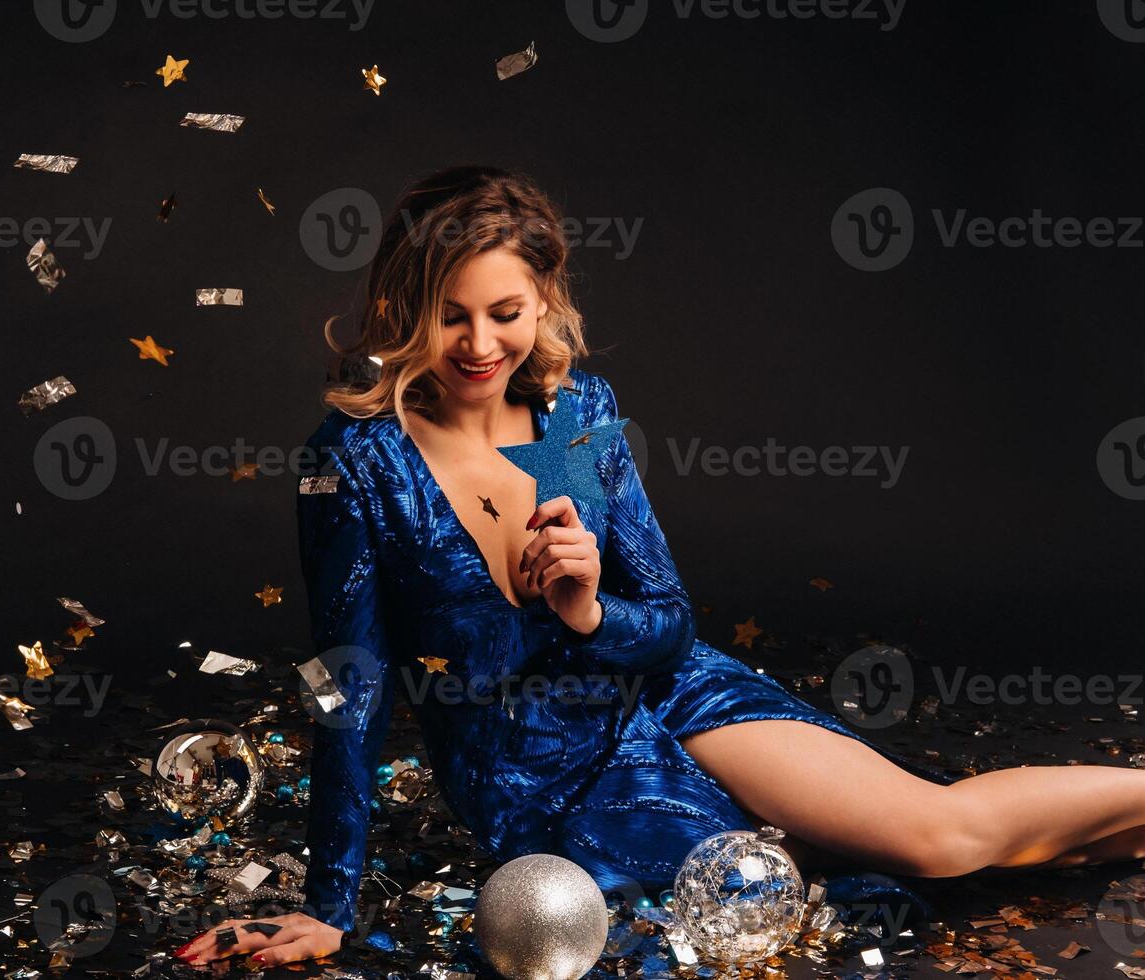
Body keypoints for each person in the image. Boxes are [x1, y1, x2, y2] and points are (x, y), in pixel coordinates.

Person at [175, 165, 1145, 967]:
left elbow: (668, 622)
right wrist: (330, 902)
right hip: (548, 770)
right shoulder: (356, 462)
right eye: (448, 314)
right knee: (841, 872)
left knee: (933, 834)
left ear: (545, 297)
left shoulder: (570, 413)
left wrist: (590, 608)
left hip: (670, 685)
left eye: (505, 311)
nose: (478, 345)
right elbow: (352, 687)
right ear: (403, 306)